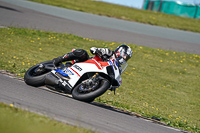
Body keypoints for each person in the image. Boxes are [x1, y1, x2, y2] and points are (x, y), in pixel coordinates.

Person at [52, 44, 133, 74]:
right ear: (120, 51)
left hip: (93, 73)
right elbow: (93, 49)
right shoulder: (109, 53)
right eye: (125, 55)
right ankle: (59, 59)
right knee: (82, 53)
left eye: (127, 57)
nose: (125, 58)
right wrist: (97, 51)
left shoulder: (117, 68)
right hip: (87, 63)